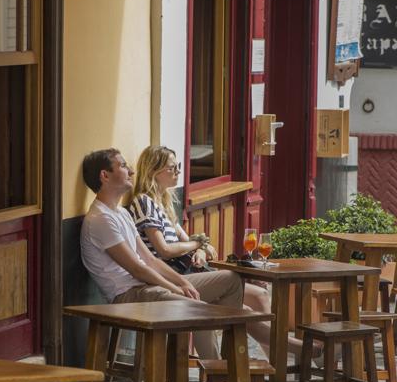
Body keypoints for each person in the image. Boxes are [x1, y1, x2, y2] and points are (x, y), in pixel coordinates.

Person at [123, 145, 308, 360]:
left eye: (178, 167)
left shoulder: (164, 204)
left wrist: (199, 248)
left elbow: (194, 242)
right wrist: (196, 245)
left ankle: (276, 360)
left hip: (188, 269)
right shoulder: (144, 202)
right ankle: (297, 353)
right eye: (172, 168)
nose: (178, 172)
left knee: (260, 296)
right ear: (154, 171)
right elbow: (165, 250)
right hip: (172, 275)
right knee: (240, 300)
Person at [79, 147, 243, 360]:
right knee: (200, 310)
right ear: (105, 175)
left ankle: (221, 365)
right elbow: (138, 269)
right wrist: (176, 287)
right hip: (129, 295)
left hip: (149, 286)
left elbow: (148, 259)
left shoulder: (120, 212)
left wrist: (182, 283)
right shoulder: (100, 218)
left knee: (231, 280)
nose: (131, 171)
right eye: (123, 166)